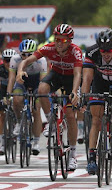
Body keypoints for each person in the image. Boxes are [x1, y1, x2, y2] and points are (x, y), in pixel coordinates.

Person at [16, 24, 82, 171]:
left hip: (71, 79)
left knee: (71, 115)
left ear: (69, 41)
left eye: (63, 41)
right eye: (57, 39)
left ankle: (72, 154)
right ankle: (50, 122)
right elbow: (26, 61)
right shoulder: (49, 48)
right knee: (42, 89)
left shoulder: (75, 52)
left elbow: (78, 74)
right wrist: (20, 71)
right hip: (57, 75)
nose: (59, 43)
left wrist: (75, 91)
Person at [7, 39, 47, 155]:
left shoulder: (41, 60)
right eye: (23, 54)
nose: (26, 57)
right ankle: (19, 121)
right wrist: (9, 94)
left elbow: (42, 81)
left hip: (36, 83)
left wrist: (39, 94)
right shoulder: (15, 59)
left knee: (36, 110)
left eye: (29, 54)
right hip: (21, 82)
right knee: (17, 99)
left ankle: (36, 142)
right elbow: (11, 79)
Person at [81, 29, 112, 175]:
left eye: (109, 50)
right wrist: (84, 98)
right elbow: (87, 79)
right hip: (99, 83)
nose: (106, 53)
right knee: (96, 120)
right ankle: (92, 158)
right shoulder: (92, 52)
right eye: (103, 50)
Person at [0, 49, 17, 155]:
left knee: (18, 106)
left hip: (17, 90)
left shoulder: (19, 68)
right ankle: (3, 144)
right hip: (4, 91)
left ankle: (17, 124)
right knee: (3, 115)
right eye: (6, 61)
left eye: (11, 61)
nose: (8, 63)